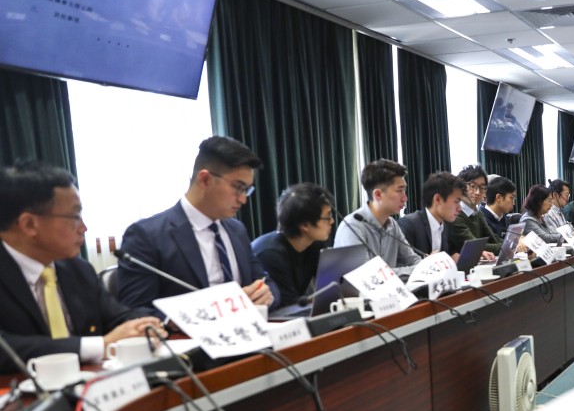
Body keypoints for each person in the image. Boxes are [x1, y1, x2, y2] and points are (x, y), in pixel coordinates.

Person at [0, 162, 163, 373]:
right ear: (29, 224)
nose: (83, 228)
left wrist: (143, 325)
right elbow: (7, 349)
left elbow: (117, 317)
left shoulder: (77, 269)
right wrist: (99, 346)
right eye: (75, 216)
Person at [118, 136, 278, 315]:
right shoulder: (146, 236)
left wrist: (265, 295)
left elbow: (266, 282)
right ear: (205, 180)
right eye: (238, 188)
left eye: (247, 190)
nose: (243, 199)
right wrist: (207, 312)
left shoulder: (236, 230)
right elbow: (134, 312)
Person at [251, 183, 336, 308]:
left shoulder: (315, 244)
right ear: (305, 225)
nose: (332, 221)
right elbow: (288, 305)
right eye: (327, 217)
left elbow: (330, 287)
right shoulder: (270, 254)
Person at [333, 158, 421, 277]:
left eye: (404, 191)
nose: (405, 198)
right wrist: (413, 270)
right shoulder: (352, 226)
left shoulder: (392, 224)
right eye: (399, 191)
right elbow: (368, 276)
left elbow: (415, 261)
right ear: (378, 194)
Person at [398, 171, 465, 259]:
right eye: (456, 201)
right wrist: (428, 261)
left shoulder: (444, 225)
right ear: (437, 199)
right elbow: (402, 264)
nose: (459, 208)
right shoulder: (409, 224)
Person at [449, 165, 501, 255]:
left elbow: (493, 239)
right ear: (460, 187)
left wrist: (513, 244)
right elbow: (474, 246)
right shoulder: (454, 214)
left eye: (482, 188)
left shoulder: (477, 212)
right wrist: (511, 246)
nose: (477, 192)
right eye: (472, 186)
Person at [480, 176, 518, 241]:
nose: (514, 203)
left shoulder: (504, 218)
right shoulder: (481, 219)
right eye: (511, 198)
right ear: (499, 197)